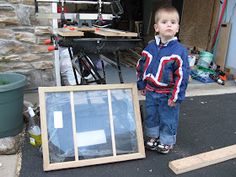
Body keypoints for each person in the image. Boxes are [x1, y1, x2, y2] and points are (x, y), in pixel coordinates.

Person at [136, 5, 190, 154]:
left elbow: (182, 76)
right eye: (164, 22)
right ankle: (153, 136)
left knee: (168, 117)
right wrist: (141, 84)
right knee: (151, 115)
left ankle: (166, 141)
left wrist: (176, 96)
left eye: (173, 22)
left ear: (177, 28)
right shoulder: (150, 48)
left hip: (167, 94)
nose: (169, 25)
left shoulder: (180, 51)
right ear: (156, 27)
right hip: (151, 91)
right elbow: (141, 66)